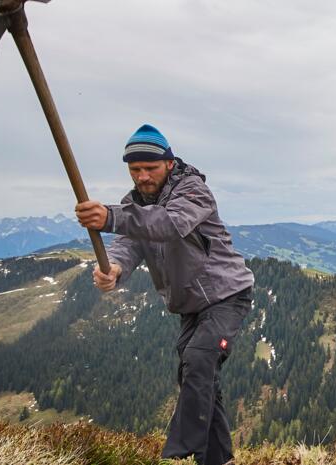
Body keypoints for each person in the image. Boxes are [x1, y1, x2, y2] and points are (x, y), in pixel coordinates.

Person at [75, 123, 253, 465]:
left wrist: (110, 216)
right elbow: (130, 244)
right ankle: (218, 460)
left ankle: (179, 450)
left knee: (200, 360)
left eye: (150, 168)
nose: (142, 176)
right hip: (190, 304)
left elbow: (168, 224)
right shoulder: (135, 204)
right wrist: (114, 268)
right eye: (135, 170)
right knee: (197, 376)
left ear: (169, 163)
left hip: (226, 294)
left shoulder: (193, 191)